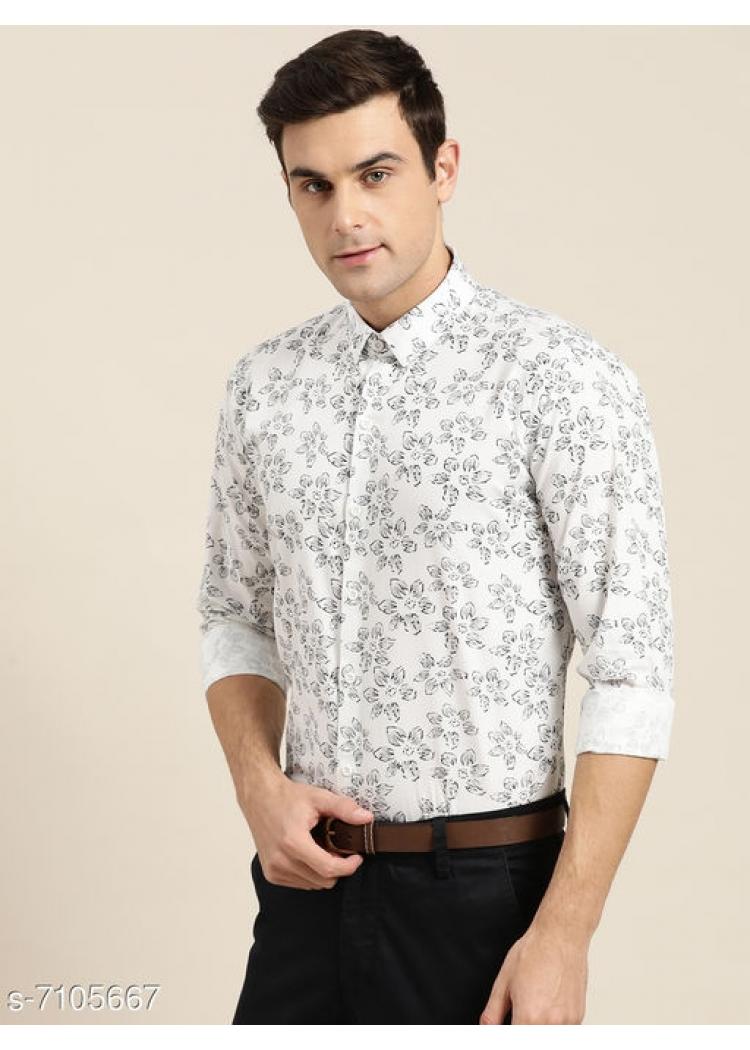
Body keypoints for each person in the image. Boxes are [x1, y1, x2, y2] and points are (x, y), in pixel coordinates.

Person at [195, 28, 675, 1025]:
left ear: (443, 168)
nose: (346, 215)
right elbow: (234, 615)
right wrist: (257, 786)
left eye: (376, 173)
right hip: (304, 895)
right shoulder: (263, 388)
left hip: (487, 899)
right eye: (314, 185)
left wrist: (565, 931)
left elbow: (632, 673)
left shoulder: (561, 381)